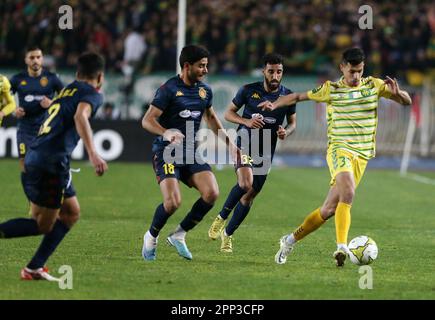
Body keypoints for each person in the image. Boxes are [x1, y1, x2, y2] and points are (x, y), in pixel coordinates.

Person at [259, 48, 412, 267]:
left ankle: (289, 240)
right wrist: (274, 104)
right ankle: (342, 247)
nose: (356, 76)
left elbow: (406, 101)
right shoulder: (331, 89)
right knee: (348, 192)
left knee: (329, 209)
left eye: (359, 71)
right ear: (342, 68)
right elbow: (297, 96)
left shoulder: (374, 86)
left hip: (362, 155)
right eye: (352, 71)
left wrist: (398, 94)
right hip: (339, 149)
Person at [0, 52, 108, 280]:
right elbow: (81, 117)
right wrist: (93, 153)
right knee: (43, 225)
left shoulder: (68, 89)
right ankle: (32, 268)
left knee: (71, 213)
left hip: (36, 156)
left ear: (78, 73)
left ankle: (34, 268)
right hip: (51, 163)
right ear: (100, 77)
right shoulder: (93, 94)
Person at [141, 45, 239, 261]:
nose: (205, 70)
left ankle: (179, 234)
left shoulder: (204, 91)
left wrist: (230, 144)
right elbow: (147, 120)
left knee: (212, 193)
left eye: (206, 65)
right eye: (201, 66)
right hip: (166, 151)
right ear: (187, 66)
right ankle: (151, 236)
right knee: (173, 202)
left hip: (189, 152)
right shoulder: (168, 89)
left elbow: (211, 119)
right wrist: (166, 132)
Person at [208, 53, 296, 253]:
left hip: (267, 148)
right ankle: (221, 217)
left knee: (250, 195)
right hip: (245, 142)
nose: (275, 76)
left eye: (279, 72)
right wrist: (246, 122)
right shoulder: (248, 91)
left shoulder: (288, 96)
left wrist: (286, 132)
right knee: (244, 182)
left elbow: (292, 123)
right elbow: (228, 113)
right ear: (264, 71)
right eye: (271, 71)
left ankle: (228, 234)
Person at [9, 47, 64, 171]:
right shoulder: (17, 79)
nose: (35, 60)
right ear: (26, 60)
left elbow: (66, 100)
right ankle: (30, 189)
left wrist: (52, 103)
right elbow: (5, 97)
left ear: (42, 59)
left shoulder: (52, 78)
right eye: (32, 57)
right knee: (24, 163)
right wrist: (14, 110)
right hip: (25, 128)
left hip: (46, 128)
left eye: (38, 57)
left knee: (47, 164)